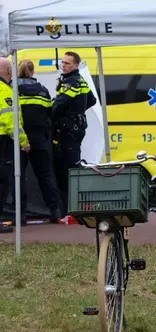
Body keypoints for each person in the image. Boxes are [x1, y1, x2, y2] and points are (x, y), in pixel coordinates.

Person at [16, 59, 64, 224]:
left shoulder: (13, 90)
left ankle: (20, 215)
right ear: (33, 72)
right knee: (46, 174)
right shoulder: (42, 91)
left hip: (18, 138)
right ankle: (55, 210)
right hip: (40, 138)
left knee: (18, 176)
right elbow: (50, 114)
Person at [51, 51, 97, 215]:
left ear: (76, 65)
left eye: (67, 63)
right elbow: (92, 99)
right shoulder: (80, 81)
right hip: (77, 128)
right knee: (73, 166)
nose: (64, 65)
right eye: (62, 62)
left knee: (67, 170)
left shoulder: (71, 83)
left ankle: (71, 209)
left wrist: (69, 113)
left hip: (68, 131)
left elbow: (57, 107)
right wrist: (77, 111)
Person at [0, 57, 30, 233]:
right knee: (3, 181)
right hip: (3, 140)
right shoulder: (5, 90)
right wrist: (23, 142)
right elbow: (10, 121)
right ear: (8, 72)